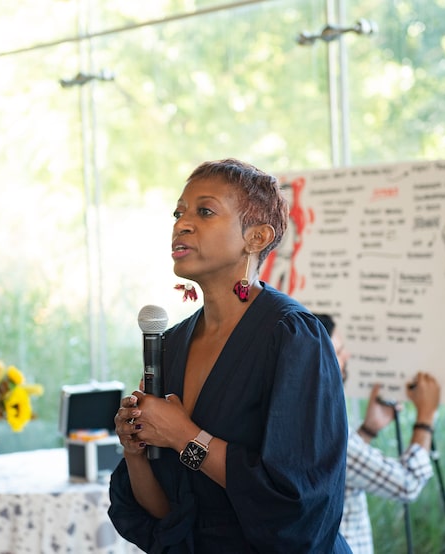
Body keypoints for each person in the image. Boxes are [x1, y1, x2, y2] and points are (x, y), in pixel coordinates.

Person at [108, 158, 352, 553]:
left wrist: (184, 435)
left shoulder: (293, 336)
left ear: (256, 238)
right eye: (179, 212)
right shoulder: (170, 344)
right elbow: (169, 514)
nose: (181, 224)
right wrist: (136, 452)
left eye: (204, 211)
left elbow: (300, 506)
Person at [323, 315, 441, 554]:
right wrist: (426, 417)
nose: (347, 357)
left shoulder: (298, 415)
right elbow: (408, 484)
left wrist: (368, 430)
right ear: (316, 361)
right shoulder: (327, 427)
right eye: (338, 351)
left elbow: (336, 471)